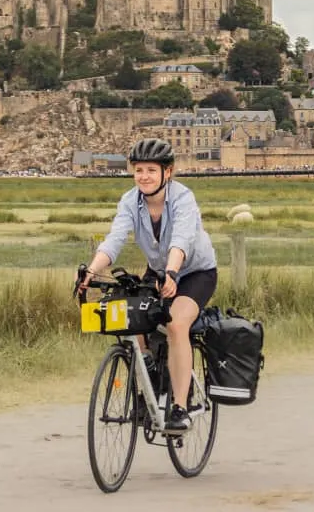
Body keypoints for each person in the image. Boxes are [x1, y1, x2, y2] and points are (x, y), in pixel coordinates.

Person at [79, 138, 217, 432]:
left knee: (177, 325)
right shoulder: (130, 200)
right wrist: (91, 271)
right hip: (158, 270)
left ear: (168, 172)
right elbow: (115, 239)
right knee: (129, 318)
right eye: (139, 169)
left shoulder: (183, 199)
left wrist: (171, 271)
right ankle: (149, 372)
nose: (143, 176)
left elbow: (181, 238)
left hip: (194, 272)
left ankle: (179, 407)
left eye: (151, 170)